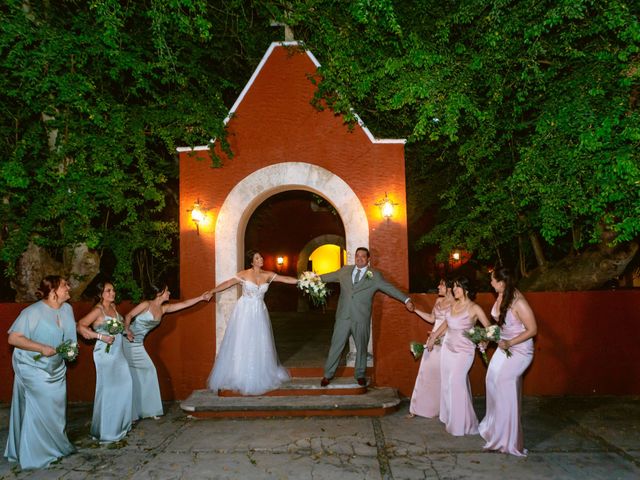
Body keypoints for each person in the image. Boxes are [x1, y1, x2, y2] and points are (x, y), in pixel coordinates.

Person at [4, 275, 77, 470]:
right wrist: (41, 348)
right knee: (42, 405)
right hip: (31, 365)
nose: (69, 287)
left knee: (56, 407)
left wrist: (71, 351)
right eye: (64, 285)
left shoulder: (68, 309)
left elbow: (69, 337)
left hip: (55, 366)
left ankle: (55, 446)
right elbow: (14, 338)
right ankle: (37, 455)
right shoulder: (32, 312)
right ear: (53, 291)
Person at [318, 247, 415, 387]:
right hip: (343, 317)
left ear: (368, 259)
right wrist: (306, 280)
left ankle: (360, 374)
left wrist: (406, 300)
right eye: (357, 256)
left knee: (361, 347)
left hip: (361, 318)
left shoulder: (374, 275)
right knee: (336, 346)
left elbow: (389, 288)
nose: (359, 258)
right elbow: (324, 277)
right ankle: (328, 375)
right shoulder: (345, 271)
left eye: (363, 256)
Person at [207, 250, 297, 395]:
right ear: (252, 261)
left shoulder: (267, 274)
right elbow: (229, 283)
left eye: (261, 256)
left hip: (260, 311)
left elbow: (284, 279)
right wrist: (212, 291)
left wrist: (302, 281)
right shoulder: (244, 274)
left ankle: (259, 372)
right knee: (243, 340)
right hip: (244, 311)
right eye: (257, 257)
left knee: (260, 341)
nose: (260, 259)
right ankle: (239, 374)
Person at [123, 284, 212, 420]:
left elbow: (185, 304)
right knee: (146, 371)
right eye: (167, 291)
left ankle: (146, 410)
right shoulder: (146, 304)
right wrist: (127, 330)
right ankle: (142, 410)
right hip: (127, 341)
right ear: (159, 293)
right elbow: (128, 316)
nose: (169, 293)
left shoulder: (164, 309)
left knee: (145, 373)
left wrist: (201, 297)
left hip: (138, 344)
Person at [479, 266, 537, 456]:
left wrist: (510, 342)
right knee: (491, 380)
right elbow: (500, 325)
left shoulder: (518, 302)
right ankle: (495, 429)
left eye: (493, 280)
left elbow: (532, 329)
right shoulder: (501, 296)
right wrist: (486, 340)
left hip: (520, 350)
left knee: (505, 384)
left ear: (502, 283)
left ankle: (509, 440)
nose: (491, 283)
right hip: (504, 347)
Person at [430, 276, 490, 436]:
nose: (454, 290)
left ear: (466, 289)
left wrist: (485, 341)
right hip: (447, 348)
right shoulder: (453, 304)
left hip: (464, 351)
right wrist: (434, 336)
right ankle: (450, 417)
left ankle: (464, 424)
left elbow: (490, 329)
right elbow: (446, 323)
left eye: (457, 287)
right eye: (454, 287)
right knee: (447, 384)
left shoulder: (475, 308)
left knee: (455, 381)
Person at [77, 281, 133, 443]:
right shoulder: (97, 310)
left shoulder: (113, 307)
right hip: (104, 354)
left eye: (113, 290)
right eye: (108, 291)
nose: (112, 293)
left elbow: (119, 327)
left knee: (125, 384)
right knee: (109, 389)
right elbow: (80, 325)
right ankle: (108, 431)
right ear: (101, 293)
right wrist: (100, 336)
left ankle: (120, 425)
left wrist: (126, 332)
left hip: (118, 352)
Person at [407, 279, 453, 418]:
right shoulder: (439, 301)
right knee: (425, 373)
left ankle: (442, 410)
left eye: (442, 285)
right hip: (433, 339)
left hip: (446, 341)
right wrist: (415, 310)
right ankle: (418, 408)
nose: (438, 286)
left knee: (443, 376)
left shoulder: (456, 304)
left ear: (450, 288)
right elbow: (432, 319)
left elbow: (452, 324)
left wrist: (438, 337)